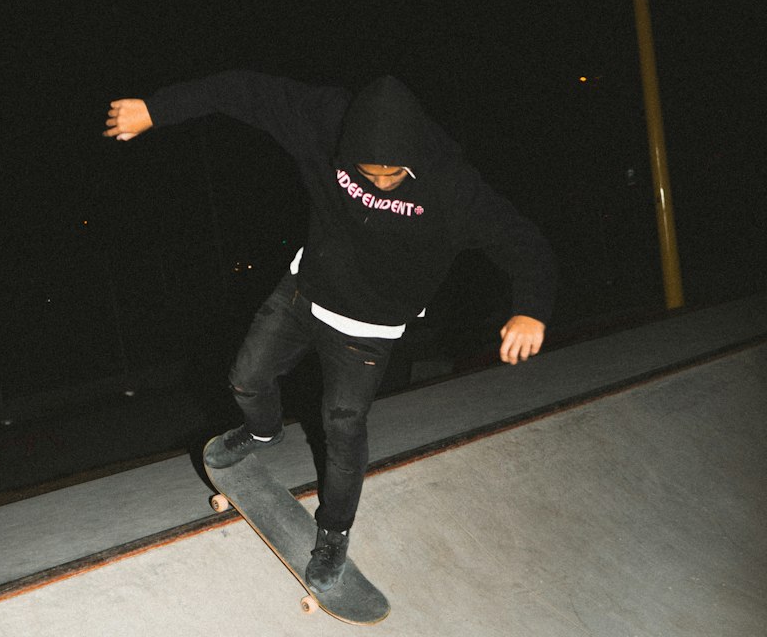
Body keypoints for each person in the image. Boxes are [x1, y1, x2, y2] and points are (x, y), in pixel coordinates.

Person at [105, 71, 556, 593]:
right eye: (370, 173)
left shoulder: (454, 186)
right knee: (246, 380)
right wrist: (158, 109)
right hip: (305, 292)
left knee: (342, 428)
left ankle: (334, 534)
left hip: (369, 328)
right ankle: (261, 431)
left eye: (394, 176)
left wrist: (531, 308)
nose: (381, 184)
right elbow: (241, 92)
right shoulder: (322, 121)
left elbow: (524, 242)